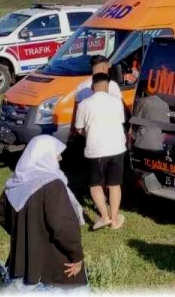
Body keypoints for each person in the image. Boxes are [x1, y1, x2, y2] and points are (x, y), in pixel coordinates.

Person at [0, 136, 87, 291]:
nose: (60, 157)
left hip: (20, 265)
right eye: (56, 154)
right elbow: (64, 226)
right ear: (45, 156)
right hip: (55, 271)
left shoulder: (16, 183)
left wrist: (24, 236)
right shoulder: (53, 186)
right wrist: (77, 256)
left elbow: (2, 215)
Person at [73, 72, 127, 231]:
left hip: (95, 150)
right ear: (108, 86)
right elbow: (121, 122)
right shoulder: (117, 102)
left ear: (92, 87)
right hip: (117, 148)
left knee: (96, 184)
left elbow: (79, 128)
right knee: (115, 184)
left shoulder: (84, 104)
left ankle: (104, 216)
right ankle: (115, 219)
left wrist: (88, 133)